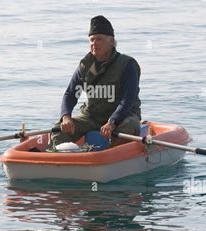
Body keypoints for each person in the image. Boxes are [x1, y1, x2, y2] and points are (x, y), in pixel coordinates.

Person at [50, 15, 142, 148]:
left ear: (111, 41)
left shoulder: (127, 64)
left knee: (127, 127)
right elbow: (70, 94)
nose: (94, 43)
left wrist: (112, 121)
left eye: (99, 39)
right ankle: (63, 161)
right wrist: (66, 117)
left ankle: (111, 160)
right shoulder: (85, 65)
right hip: (92, 117)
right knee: (58, 130)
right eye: (91, 40)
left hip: (123, 116)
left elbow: (127, 100)